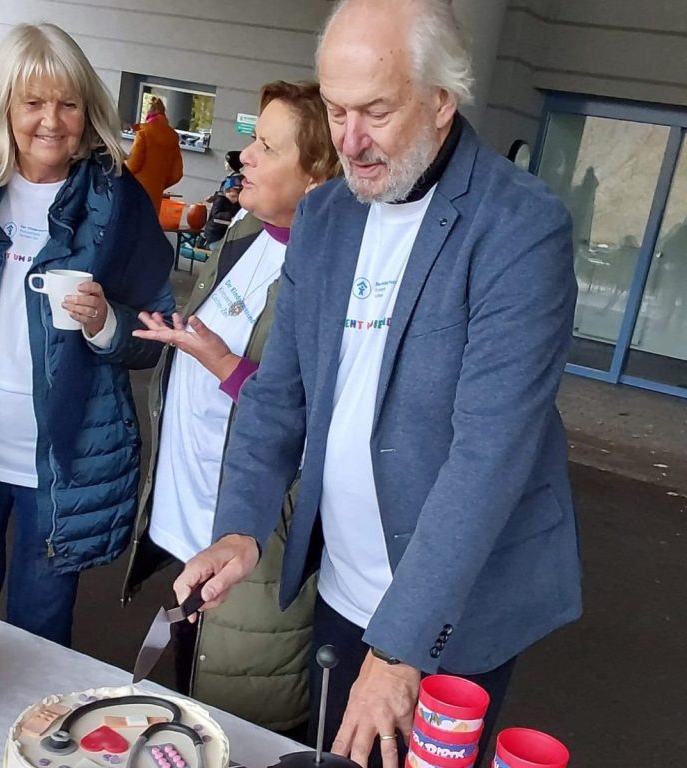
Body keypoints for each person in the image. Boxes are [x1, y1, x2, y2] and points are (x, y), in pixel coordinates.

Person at [172, 1, 582, 767]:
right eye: (334, 110)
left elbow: (489, 457)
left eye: (376, 111)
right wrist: (240, 525)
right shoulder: (326, 215)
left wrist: (399, 654)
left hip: (453, 612)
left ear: (440, 99)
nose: (349, 140)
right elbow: (277, 395)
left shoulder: (520, 228)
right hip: (344, 587)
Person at [0, 23, 175, 647]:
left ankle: (35, 745)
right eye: (33, 102)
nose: (51, 121)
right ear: (3, 104)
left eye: (67, 102)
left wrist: (105, 322)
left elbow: (154, 332)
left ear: (87, 109)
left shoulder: (118, 204)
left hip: (61, 466)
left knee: (42, 635)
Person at [121, 81, 341, 733]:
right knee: (192, 679)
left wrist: (219, 362)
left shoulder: (331, 274)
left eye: (267, 146)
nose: (243, 155)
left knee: (237, 710)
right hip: (196, 514)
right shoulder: (245, 230)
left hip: (254, 533)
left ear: (318, 179)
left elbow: (311, 424)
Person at [126, 96, 184, 213]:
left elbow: (133, 165)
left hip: (134, 191)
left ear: (148, 113)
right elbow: (177, 174)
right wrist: (159, 184)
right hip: (155, 197)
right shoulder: (173, 137)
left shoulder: (144, 132)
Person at [202, 173, 243, 250]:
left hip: (226, 237)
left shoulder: (236, 204)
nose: (236, 199)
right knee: (223, 249)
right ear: (226, 191)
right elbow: (215, 215)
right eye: (233, 196)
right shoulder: (220, 200)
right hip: (214, 237)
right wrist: (231, 216)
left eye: (238, 197)